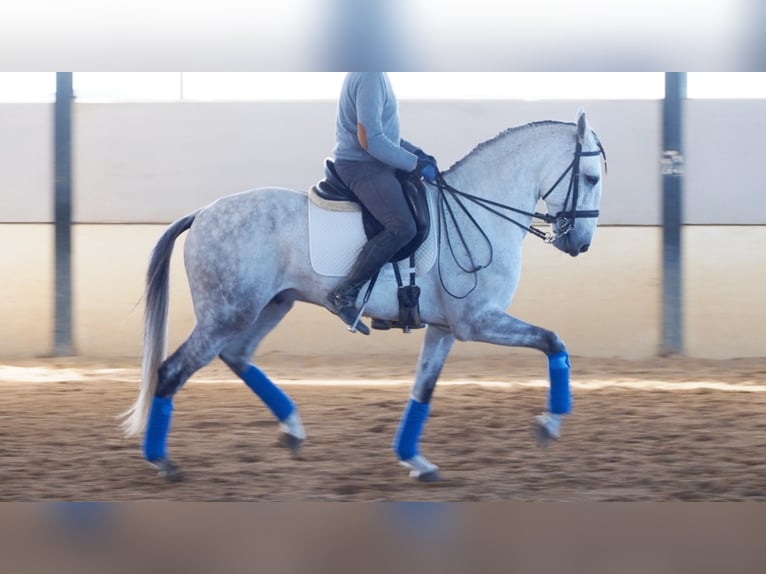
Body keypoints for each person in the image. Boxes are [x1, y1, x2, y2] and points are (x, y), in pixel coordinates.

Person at [325, 72, 438, 335]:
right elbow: (371, 141)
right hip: (362, 166)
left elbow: (385, 133)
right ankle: (343, 293)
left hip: (374, 164)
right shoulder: (370, 76)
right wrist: (413, 164)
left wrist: (417, 154)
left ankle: (387, 302)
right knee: (402, 227)